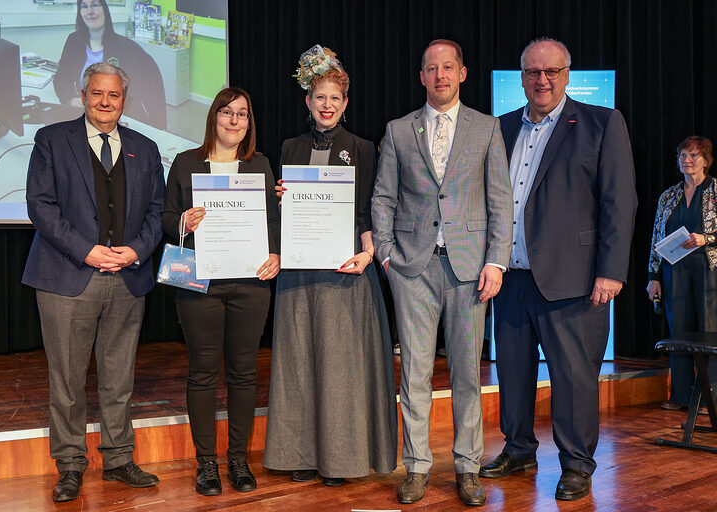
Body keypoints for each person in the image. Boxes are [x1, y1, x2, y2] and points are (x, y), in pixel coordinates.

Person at [480, 38, 637, 501]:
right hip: (509, 275)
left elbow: (619, 201)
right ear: (522, 76)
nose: (542, 80)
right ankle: (519, 448)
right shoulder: (500, 128)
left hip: (575, 279)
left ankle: (575, 464)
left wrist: (611, 271)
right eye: (533, 72)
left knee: (573, 378)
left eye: (551, 71)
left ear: (567, 74)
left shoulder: (601, 123)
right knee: (511, 371)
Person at [371, 39, 513, 506]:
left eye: (447, 67)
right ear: (422, 76)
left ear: (462, 73)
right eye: (431, 68)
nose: (440, 76)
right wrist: (387, 257)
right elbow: (383, 198)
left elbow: (500, 202)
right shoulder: (397, 130)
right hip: (412, 269)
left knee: (467, 374)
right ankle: (416, 467)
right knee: (413, 374)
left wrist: (496, 260)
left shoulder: (487, 128)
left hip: (471, 270)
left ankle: (469, 468)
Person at [22, 62, 164, 502]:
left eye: (114, 95)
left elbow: (158, 211)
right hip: (68, 276)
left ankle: (119, 459)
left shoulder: (145, 146)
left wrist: (136, 250)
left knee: (119, 378)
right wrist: (86, 250)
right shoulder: (51, 140)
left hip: (127, 277)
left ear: (124, 99)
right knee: (66, 381)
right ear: (83, 95)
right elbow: (41, 206)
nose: (106, 102)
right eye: (97, 93)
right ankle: (69, 466)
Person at [263, 45, 398, 487]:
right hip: (300, 271)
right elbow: (284, 215)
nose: (326, 105)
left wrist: (369, 252)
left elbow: (370, 212)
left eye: (334, 99)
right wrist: (284, 198)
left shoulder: (362, 148)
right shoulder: (290, 147)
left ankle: (341, 459)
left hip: (345, 269)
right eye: (319, 97)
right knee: (298, 363)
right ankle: (300, 453)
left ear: (345, 103)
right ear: (308, 101)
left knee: (340, 369)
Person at [161, 87, 280, 496]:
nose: (234, 120)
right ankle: (206, 464)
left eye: (242, 114)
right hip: (200, 282)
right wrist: (184, 223)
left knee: (244, 374)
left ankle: (238, 460)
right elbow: (165, 216)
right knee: (203, 373)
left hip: (250, 284)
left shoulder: (260, 164)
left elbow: (272, 218)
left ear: (249, 123)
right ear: (214, 117)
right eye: (227, 112)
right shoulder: (185, 162)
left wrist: (277, 252)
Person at [647, 136, 717, 410]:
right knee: (679, 331)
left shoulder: (715, 192)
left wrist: (706, 239)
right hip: (673, 271)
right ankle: (681, 395)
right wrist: (653, 276)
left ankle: (709, 399)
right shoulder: (669, 195)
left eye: (694, 155)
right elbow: (656, 236)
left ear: (706, 160)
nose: (687, 160)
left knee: (709, 331)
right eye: (683, 156)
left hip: (708, 271)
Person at [53, 0, 167, 129]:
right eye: (84, 6)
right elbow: (61, 78)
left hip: (121, 118)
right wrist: (69, 99)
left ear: (105, 9)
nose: (89, 11)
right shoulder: (74, 41)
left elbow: (132, 93)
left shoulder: (125, 47)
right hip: (86, 115)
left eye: (95, 5)